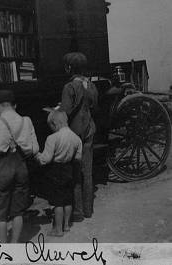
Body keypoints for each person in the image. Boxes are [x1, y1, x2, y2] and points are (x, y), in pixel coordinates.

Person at [0, 90, 39, 243]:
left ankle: (3, 248)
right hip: (21, 168)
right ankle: (14, 245)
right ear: (14, 105)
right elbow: (35, 150)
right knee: (18, 211)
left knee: (0, 214)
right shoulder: (27, 121)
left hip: (1, 170)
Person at [59, 52, 98, 221]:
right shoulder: (91, 85)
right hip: (89, 128)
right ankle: (88, 210)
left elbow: (65, 111)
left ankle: (78, 212)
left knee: (76, 174)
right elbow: (94, 106)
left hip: (74, 132)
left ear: (69, 68)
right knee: (87, 173)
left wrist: (56, 110)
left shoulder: (69, 87)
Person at [36, 111, 82, 237]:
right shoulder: (76, 138)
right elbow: (78, 158)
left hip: (56, 170)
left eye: (51, 127)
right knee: (67, 199)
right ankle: (66, 225)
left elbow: (46, 159)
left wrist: (37, 156)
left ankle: (58, 229)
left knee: (57, 202)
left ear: (54, 124)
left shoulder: (52, 138)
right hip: (69, 169)